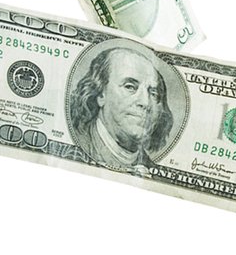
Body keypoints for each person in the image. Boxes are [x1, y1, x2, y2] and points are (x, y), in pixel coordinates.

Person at [70, 41, 175, 171]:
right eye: (130, 87)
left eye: (153, 93)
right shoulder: (77, 149)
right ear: (101, 94)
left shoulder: (154, 171)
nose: (146, 102)